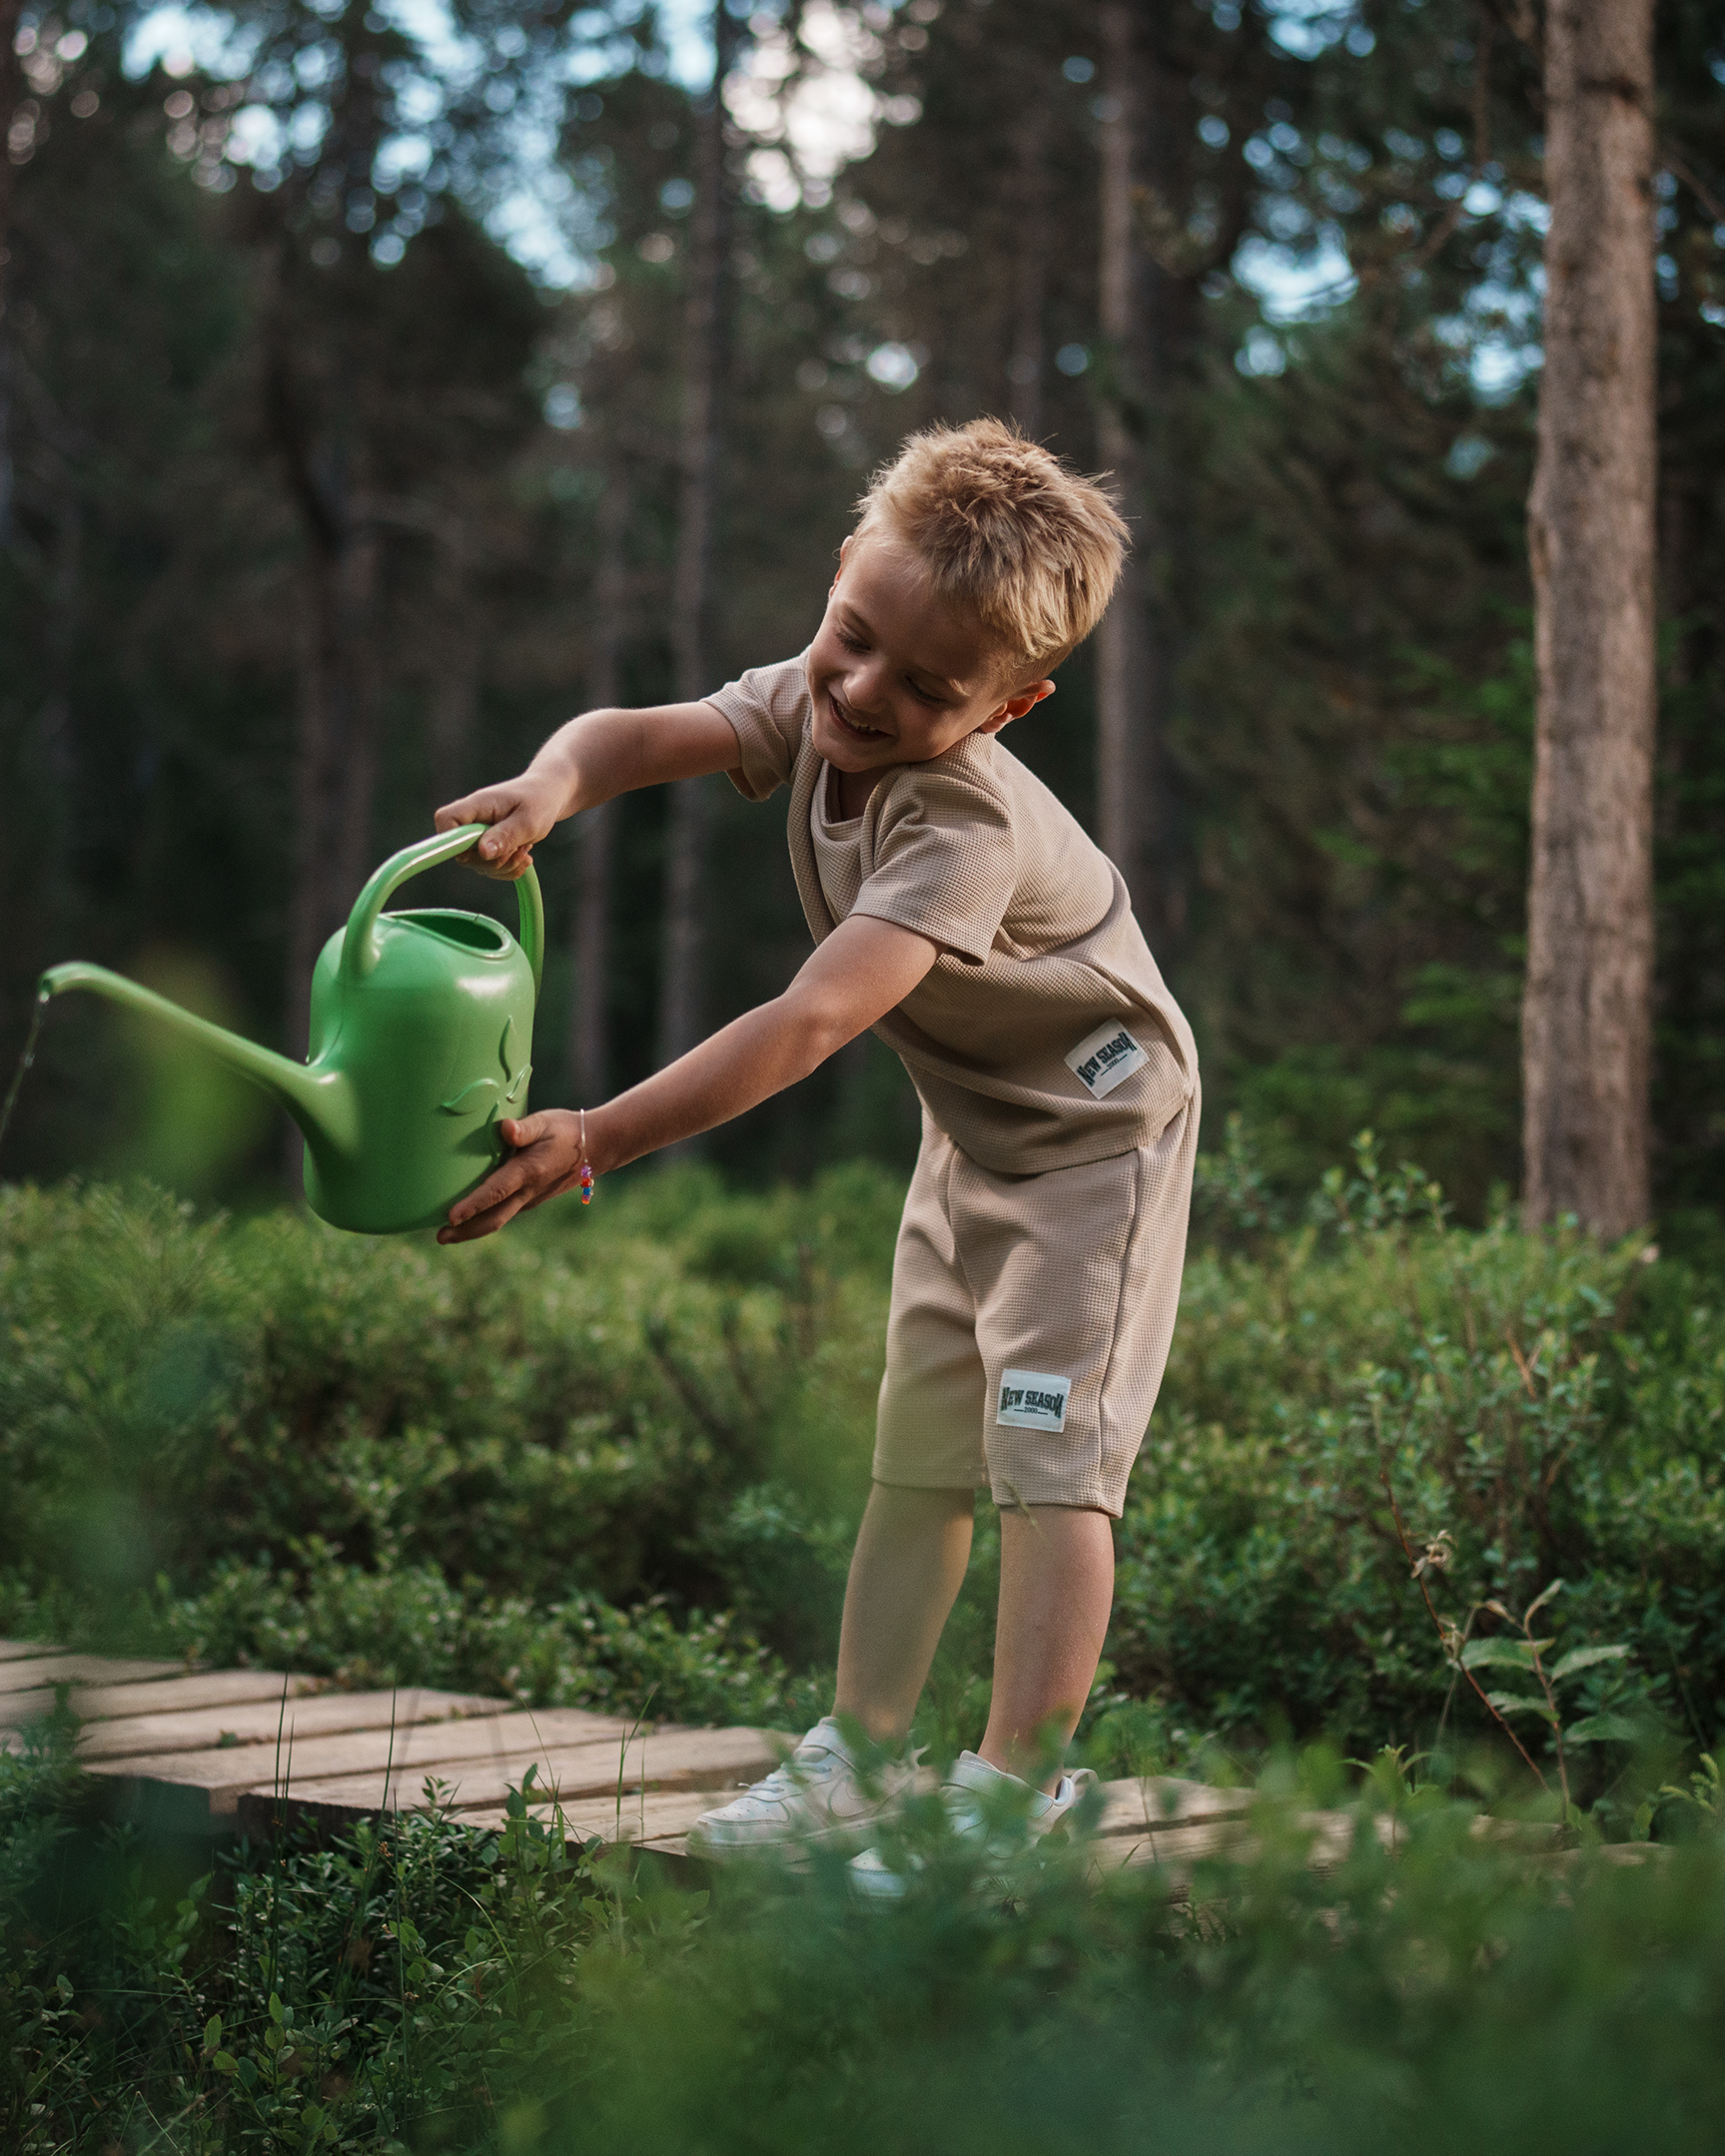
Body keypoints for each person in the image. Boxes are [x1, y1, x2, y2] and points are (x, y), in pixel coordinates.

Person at [428, 418, 1196, 1889]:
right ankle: (858, 1753)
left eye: (929, 688)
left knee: (1049, 1458)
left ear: (1012, 704)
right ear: (844, 572)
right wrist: (550, 786)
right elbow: (631, 737)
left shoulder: (961, 826)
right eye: (853, 638)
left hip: (1100, 1147)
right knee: (918, 1453)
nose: (862, 693)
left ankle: (1015, 1789)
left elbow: (811, 1021)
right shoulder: (823, 687)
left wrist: (595, 1139)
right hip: (977, 1134)